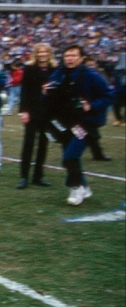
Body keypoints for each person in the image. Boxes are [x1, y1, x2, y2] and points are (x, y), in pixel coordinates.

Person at [44, 45, 114, 206]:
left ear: (81, 58)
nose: (69, 58)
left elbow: (109, 95)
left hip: (85, 122)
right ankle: (83, 186)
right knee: (70, 156)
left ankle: (76, 187)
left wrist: (92, 106)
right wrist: (45, 93)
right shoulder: (58, 73)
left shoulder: (91, 75)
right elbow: (51, 97)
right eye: (67, 55)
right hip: (65, 121)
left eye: (73, 55)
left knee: (70, 157)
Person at [17, 43, 56, 189]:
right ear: (36, 54)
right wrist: (24, 110)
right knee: (28, 144)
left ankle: (38, 176)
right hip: (32, 110)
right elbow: (24, 91)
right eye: (40, 52)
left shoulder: (54, 69)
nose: (42, 55)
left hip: (48, 112)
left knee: (43, 145)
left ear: (49, 53)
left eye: (45, 52)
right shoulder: (29, 69)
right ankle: (24, 177)